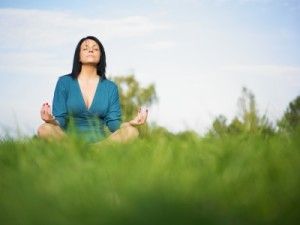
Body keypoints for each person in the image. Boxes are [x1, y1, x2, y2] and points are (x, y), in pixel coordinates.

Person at [37, 35, 148, 144]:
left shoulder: (110, 87)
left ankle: (95, 150)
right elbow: (60, 120)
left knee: (132, 131)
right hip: (69, 141)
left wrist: (130, 123)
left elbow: (114, 125)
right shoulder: (64, 82)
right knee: (44, 129)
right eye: (85, 48)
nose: (90, 50)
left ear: (101, 56)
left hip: (102, 143)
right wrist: (50, 120)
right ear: (78, 56)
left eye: (95, 49)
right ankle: (79, 149)